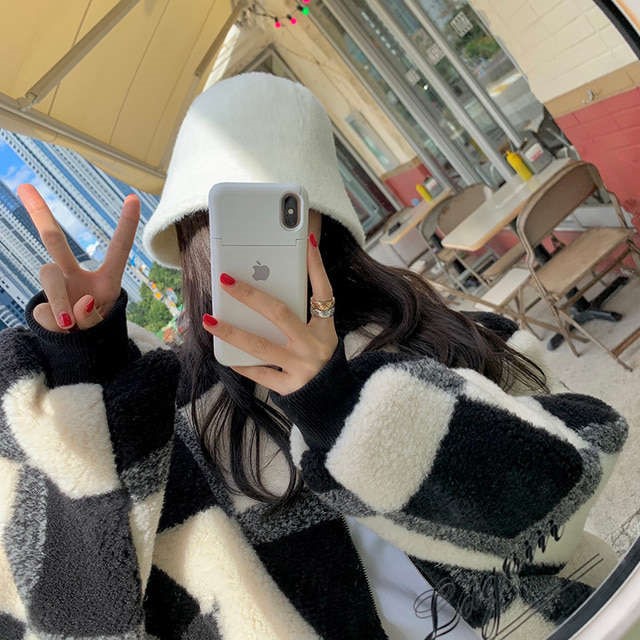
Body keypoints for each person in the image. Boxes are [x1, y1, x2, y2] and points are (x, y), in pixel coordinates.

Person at [0, 72, 627, 640]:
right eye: (222, 223)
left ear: (323, 221)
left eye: (282, 214)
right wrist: (84, 367)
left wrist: (341, 405)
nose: (252, 252)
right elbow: (75, 610)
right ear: (191, 238)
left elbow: (568, 491)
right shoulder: (177, 424)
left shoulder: (438, 333)